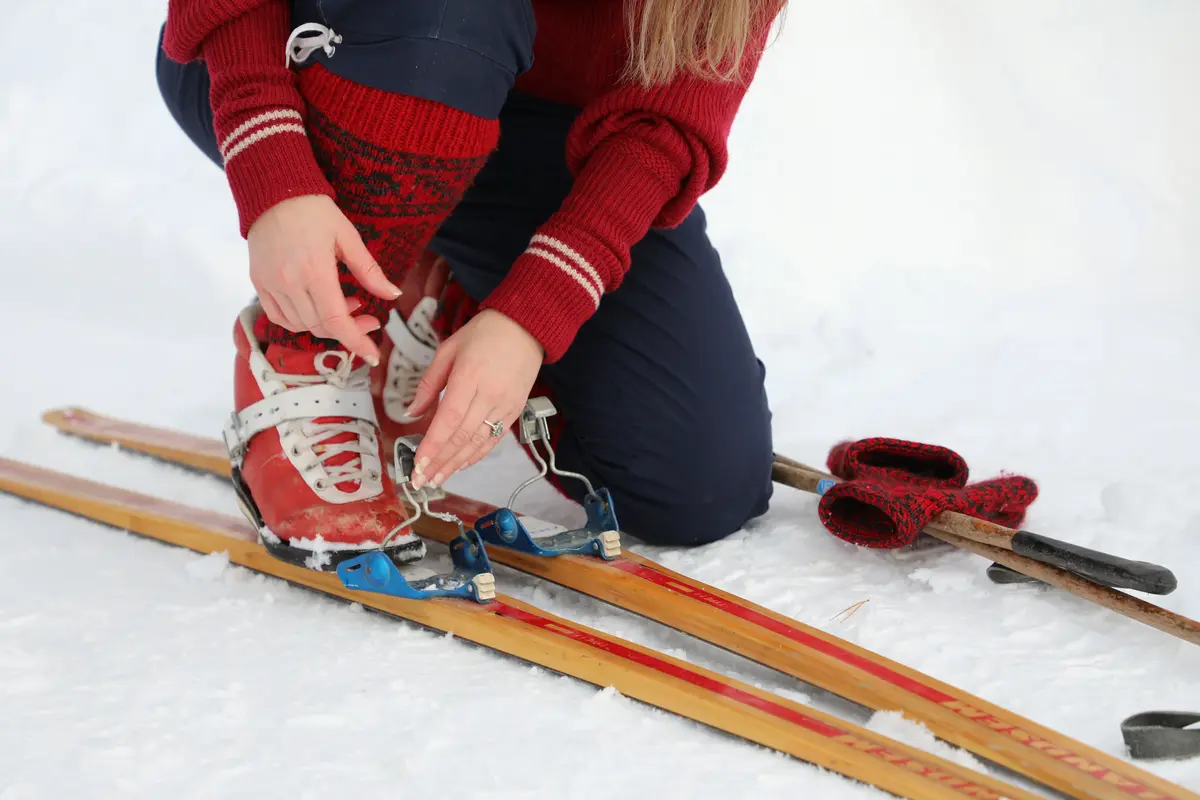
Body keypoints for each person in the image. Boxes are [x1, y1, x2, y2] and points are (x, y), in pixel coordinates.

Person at [157, 0, 782, 570]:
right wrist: (271, 165)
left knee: (700, 484)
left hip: (555, 139)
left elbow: (668, 121)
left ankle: (441, 291)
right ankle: (299, 346)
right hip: (315, 65)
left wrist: (533, 313)